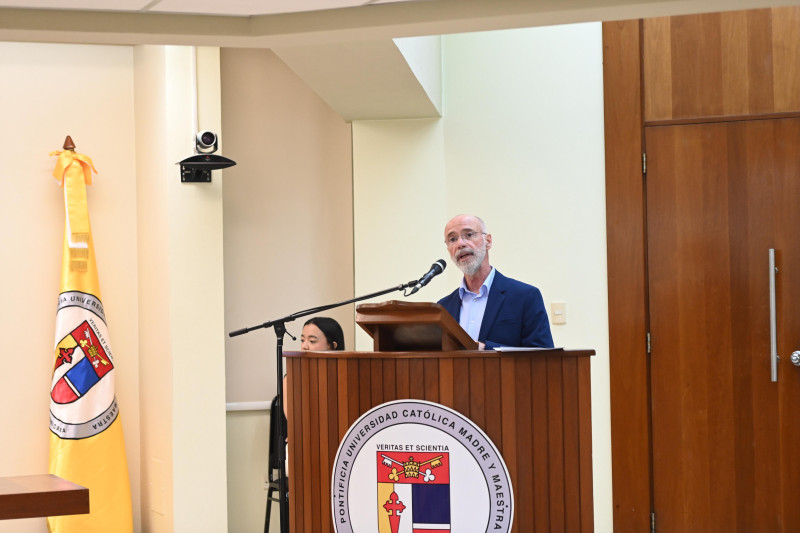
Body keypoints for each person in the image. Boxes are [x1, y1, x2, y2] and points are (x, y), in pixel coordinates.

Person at [437, 214, 554, 349]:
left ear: (488, 241)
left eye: (469, 235)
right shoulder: (443, 308)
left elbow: (543, 356)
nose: (460, 244)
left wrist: (484, 348)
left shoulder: (525, 296)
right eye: (452, 239)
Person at [283, 316, 345, 419]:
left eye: (312, 341)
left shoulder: (345, 376)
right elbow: (294, 419)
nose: (304, 346)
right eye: (302, 340)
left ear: (332, 345)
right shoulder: (291, 379)